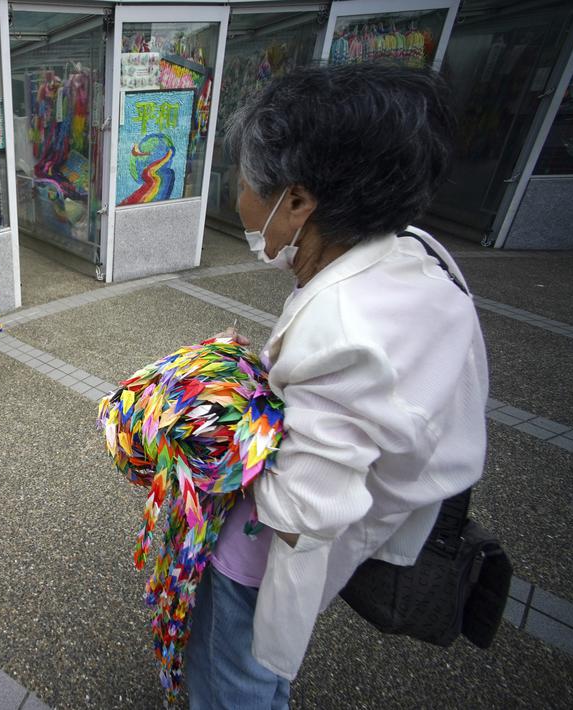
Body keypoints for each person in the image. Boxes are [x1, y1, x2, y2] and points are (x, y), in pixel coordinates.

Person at [185, 63, 489, 709]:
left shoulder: (346, 325)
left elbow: (300, 510)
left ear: (295, 202)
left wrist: (204, 427)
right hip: (379, 518)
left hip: (266, 554)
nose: (238, 197)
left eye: (244, 182)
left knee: (236, 673)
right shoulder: (414, 252)